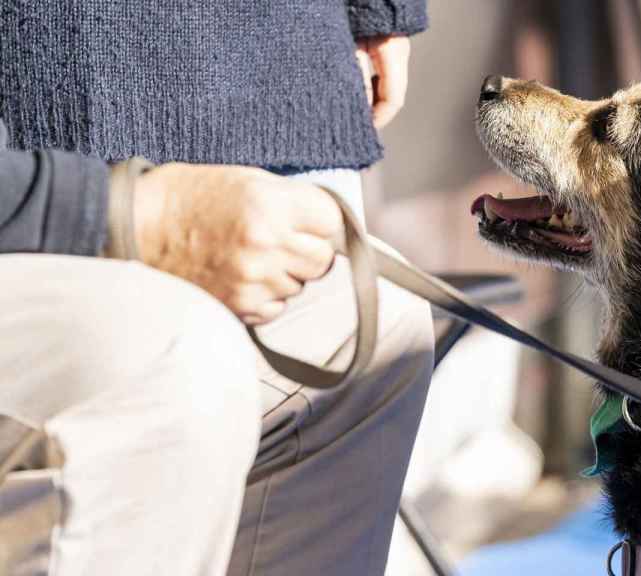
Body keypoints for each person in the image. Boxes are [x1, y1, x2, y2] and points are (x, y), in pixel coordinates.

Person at [0, 1, 433, 575]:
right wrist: (124, 214)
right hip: (50, 150)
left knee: (373, 325)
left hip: (265, 70)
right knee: (172, 357)